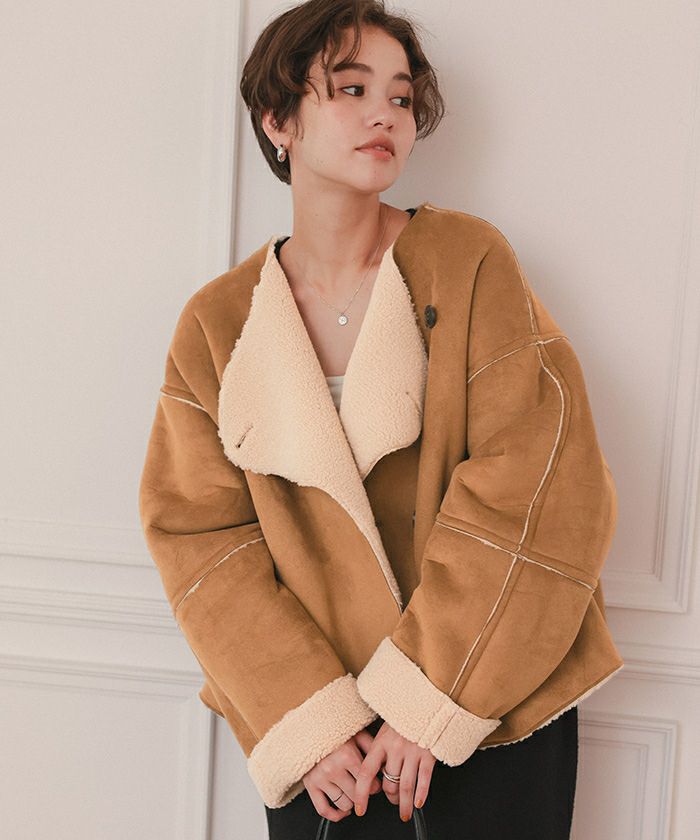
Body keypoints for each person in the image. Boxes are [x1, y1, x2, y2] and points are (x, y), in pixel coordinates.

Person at [138, 1, 624, 837]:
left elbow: (540, 483)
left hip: (488, 702)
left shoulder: (468, 263)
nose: (385, 115)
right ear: (277, 119)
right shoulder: (217, 324)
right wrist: (313, 718)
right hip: (330, 745)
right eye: (352, 88)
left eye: (400, 97)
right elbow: (200, 538)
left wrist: (424, 701)